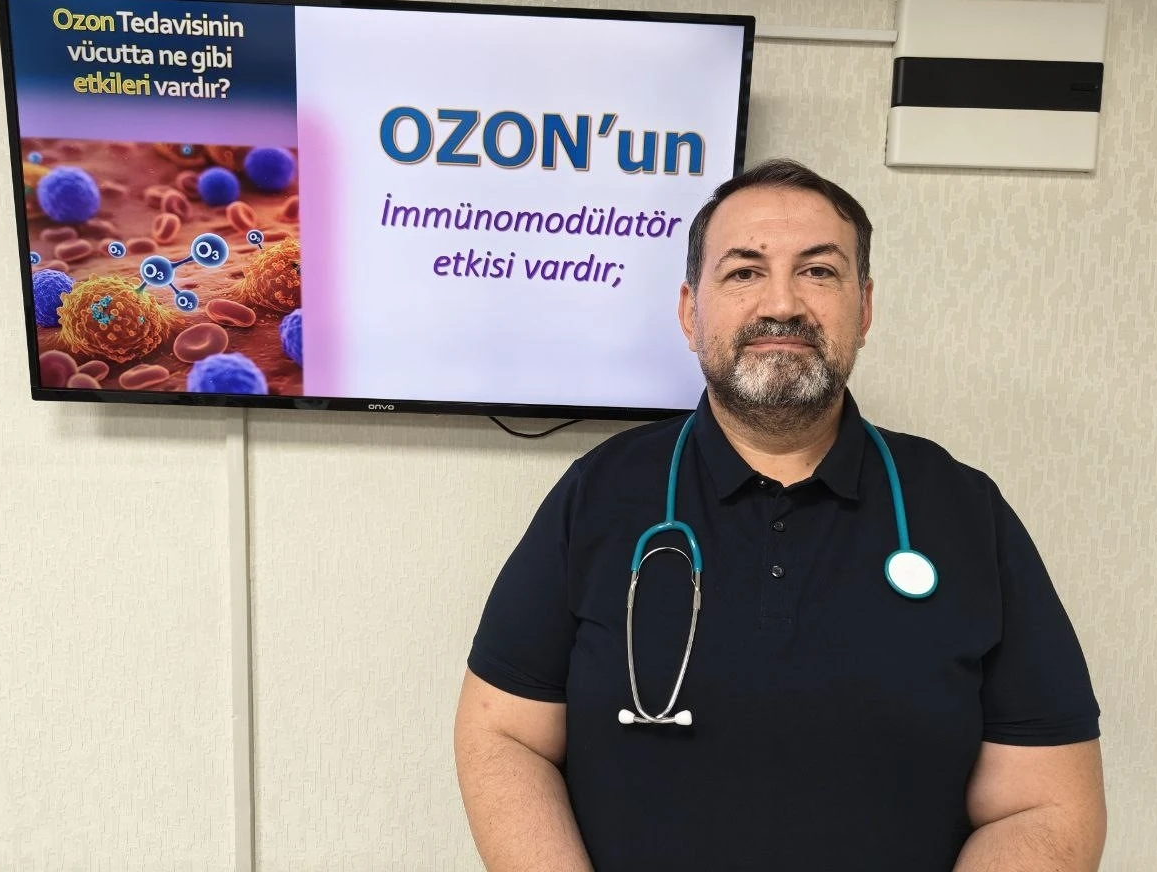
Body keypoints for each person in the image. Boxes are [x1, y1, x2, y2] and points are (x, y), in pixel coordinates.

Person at [454, 159, 1105, 871]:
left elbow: (1046, 804)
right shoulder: (598, 496)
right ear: (689, 312)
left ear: (864, 308)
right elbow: (503, 735)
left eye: (818, 272)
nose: (783, 304)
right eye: (744, 272)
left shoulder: (966, 513)